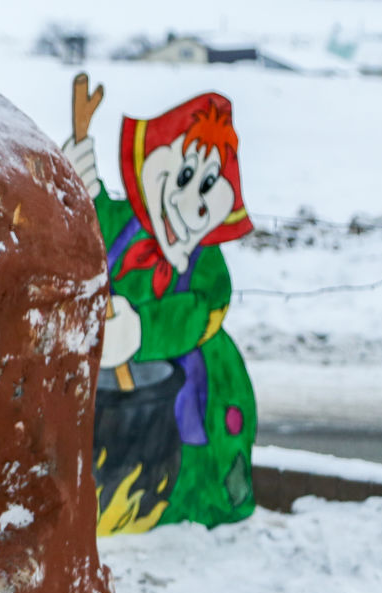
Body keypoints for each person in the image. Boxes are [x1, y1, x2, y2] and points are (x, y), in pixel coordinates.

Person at [63, 76, 256, 533]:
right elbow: (91, 215)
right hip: (105, 376)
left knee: (191, 451)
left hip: (188, 377)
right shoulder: (125, 223)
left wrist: (140, 333)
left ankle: (193, 508)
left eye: (207, 186)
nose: (189, 204)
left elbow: (201, 310)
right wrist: (79, 169)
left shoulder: (206, 264)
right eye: (184, 176)